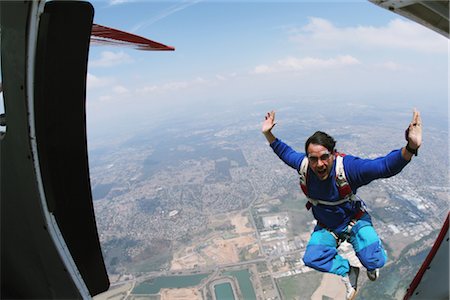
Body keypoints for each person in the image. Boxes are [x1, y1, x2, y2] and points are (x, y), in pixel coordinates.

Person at [261, 109, 422, 300]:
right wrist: (267, 133)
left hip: (355, 221)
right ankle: (349, 271)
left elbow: (383, 166)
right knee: (312, 258)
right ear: (307, 158)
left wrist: (411, 147)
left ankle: (370, 262)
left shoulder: (348, 168)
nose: (319, 164)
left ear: (333, 154)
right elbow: (284, 151)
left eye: (324, 157)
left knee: (375, 260)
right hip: (328, 226)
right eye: (313, 159)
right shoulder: (305, 166)